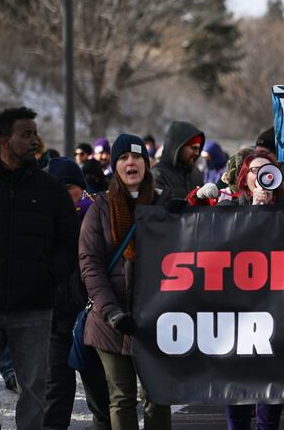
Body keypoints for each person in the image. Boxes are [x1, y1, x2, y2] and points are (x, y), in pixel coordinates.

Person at [79, 134, 171, 430]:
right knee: (121, 398)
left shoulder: (163, 205)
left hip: (156, 320)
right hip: (110, 322)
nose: (131, 162)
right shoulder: (100, 209)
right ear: (115, 167)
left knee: (159, 396)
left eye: (137, 157)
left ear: (146, 163)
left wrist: (187, 221)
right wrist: (112, 312)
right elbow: (91, 266)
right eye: (123, 158)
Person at [0, 106, 78, 429]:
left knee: (35, 388)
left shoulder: (51, 190)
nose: (34, 140)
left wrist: (47, 278)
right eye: (25, 134)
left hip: (34, 309)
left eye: (35, 133)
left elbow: (69, 243)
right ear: (4, 140)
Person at [218, 151, 284, 430]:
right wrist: (253, 215)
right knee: (237, 394)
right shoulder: (227, 211)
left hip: (277, 316)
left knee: (270, 398)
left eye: (268, 171)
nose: (262, 177)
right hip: (237, 316)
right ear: (244, 179)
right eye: (255, 171)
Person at [45, 157, 111, 430]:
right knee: (56, 394)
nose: (65, 194)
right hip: (55, 321)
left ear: (81, 189)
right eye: (58, 188)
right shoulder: (44, 223)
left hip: (91, 320)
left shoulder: (97, 218)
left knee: (100, 395)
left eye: (71, 187)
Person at [151, 120, 205, 199]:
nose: (197, 153)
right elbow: (162, 208)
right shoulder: (157, 175)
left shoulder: (196, 174)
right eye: (193, 148)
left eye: (199, 149)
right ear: (179, 147)